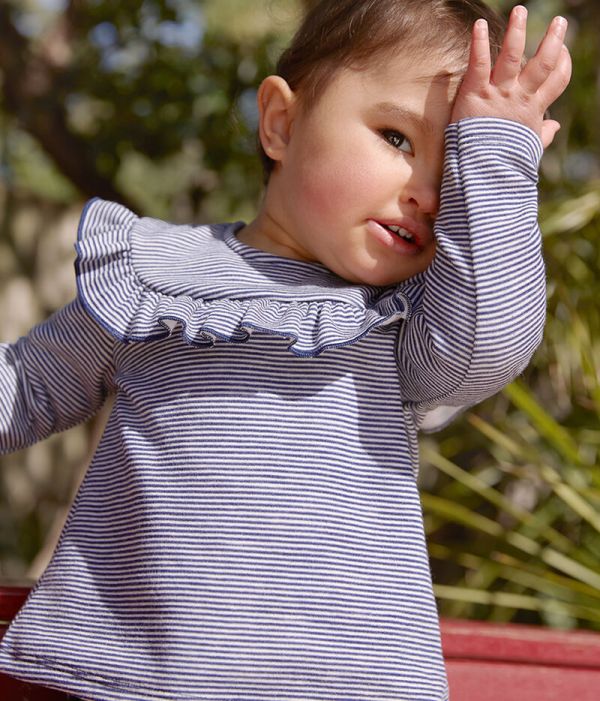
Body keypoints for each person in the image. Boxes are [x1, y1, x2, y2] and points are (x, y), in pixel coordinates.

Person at [0, 0, 571, 699]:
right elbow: (23, 388)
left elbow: (496, 345)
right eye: (396, 138)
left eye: (452, 173)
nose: (426, 192)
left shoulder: (410, 326)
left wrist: (496, 166)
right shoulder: (157, 277)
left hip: (350, 685)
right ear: (283, 123)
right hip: (149, 676)